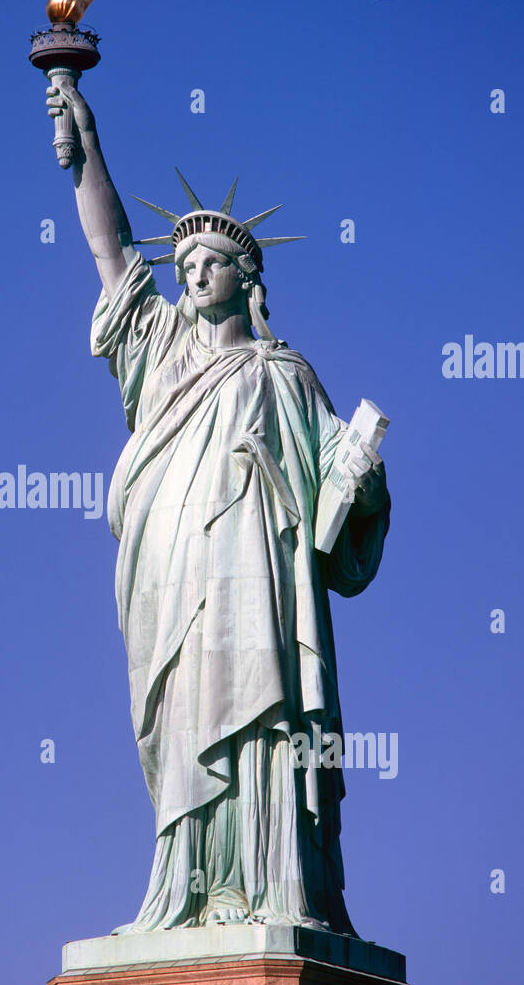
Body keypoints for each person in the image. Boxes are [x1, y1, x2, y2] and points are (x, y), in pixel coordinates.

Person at [47, 78, 390, 935]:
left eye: (213, 265)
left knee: (261, 709)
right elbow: (110, 247)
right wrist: (82, 136)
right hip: (170, 574)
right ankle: (189, 888)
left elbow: (334, 513)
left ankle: (272, 889)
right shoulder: (158, 346)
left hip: (258, 584)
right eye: (186, 265)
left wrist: (362, 482)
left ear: (247, 279)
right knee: (185, 712)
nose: (194, 273)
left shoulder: (284, 375)